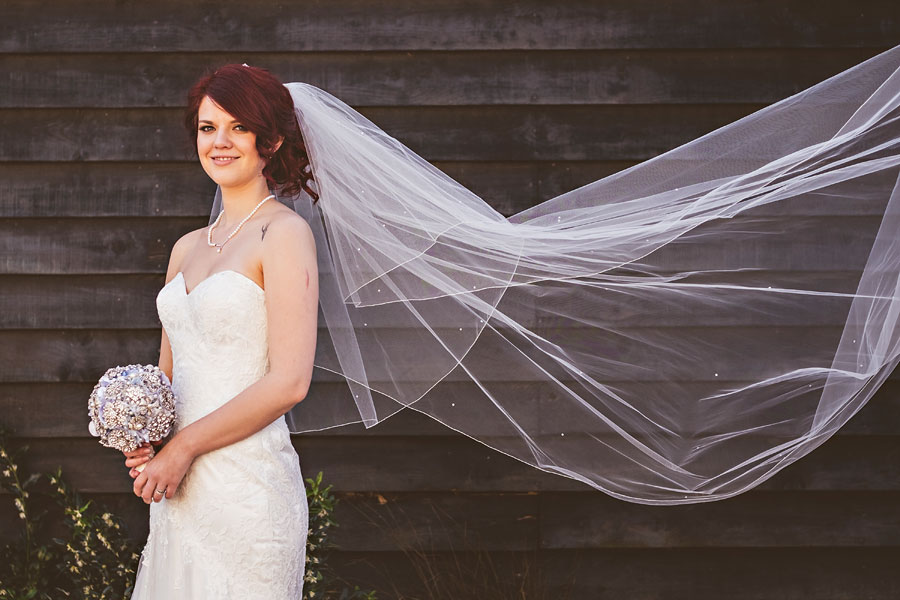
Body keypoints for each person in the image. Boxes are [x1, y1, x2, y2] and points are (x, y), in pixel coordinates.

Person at [122, 64, 319, 598]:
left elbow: (290, 382)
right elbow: (168, 375)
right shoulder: (185, 248)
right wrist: (149, 439)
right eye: (208, 128)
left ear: (271, 139)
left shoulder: (283, 234)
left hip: (247, 490)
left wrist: (183, 447)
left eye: (238, 127)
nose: (220, 142)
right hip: (180, 493)